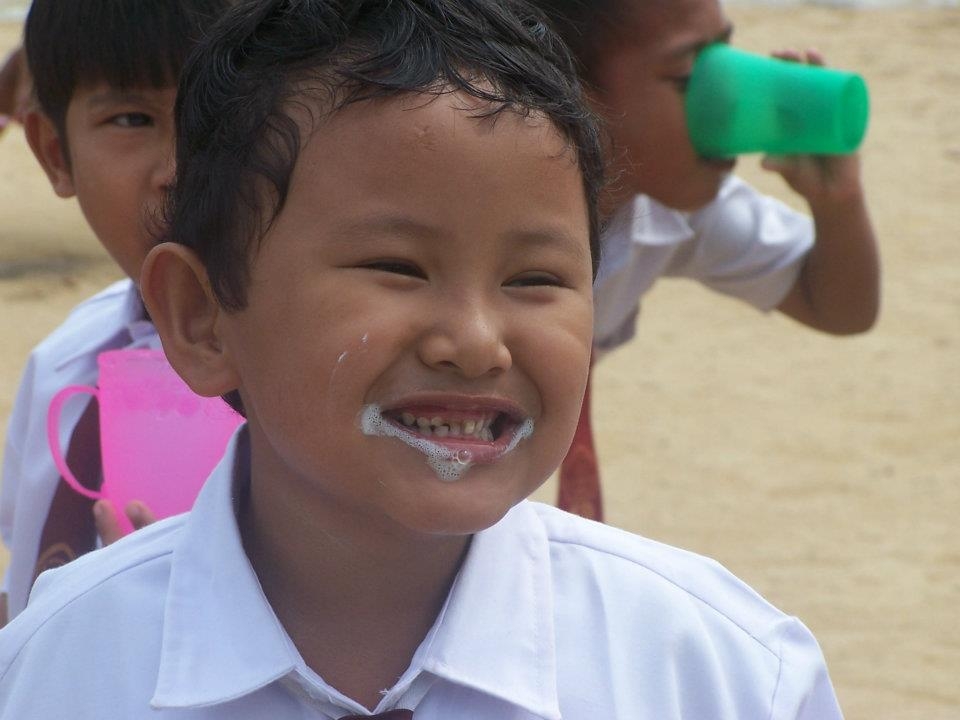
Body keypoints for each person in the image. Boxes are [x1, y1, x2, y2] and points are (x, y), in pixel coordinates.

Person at [0, 1, 844, 717]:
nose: (476, 340)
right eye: (397, 268)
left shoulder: (723, 677)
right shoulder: (56, 672)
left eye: (538, 277)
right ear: (202, 317)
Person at [532, 0, 882, 520]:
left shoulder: (668, 207)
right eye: (692, 75)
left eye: (726, 53)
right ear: (570, 89)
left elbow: (838, 307)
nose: (728, 96)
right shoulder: (480, 207)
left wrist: (838, 203)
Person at [0, 0, 235, 626]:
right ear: (55, 154)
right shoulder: (60, 363)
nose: (178, 169)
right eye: (132, 118)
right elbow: (23, 577)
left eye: (221, 115)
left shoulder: (324, 391)